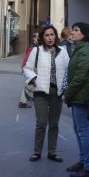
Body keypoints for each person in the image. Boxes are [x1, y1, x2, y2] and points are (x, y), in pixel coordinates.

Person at [23, 24, 69, 163]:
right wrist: (35, 79)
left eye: (52, 34)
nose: (50, 38)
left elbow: (68, 71)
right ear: (43, 37)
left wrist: (66, 90)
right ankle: (37, 152)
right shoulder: (37, 51)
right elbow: (27, 68)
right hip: (41, 91)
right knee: (41, 123)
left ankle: (52, 152)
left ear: (55, 35)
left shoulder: (63, 51)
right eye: (47, 35)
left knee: (54, 123)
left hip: (57, 92)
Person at [64, 22, 89, 177]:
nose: (72, 32)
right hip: (77, 95)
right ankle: (83, 161)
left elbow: (80, 76)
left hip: (80, 95)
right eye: (72, 29)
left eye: (76, 30)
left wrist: (68, 93)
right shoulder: (79, 48)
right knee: (79, 130)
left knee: (83, 132)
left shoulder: (85, 51)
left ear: (84, 34)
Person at [18, 32, 39, 109]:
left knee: (31, 83)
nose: (39, 39)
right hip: (28, 69)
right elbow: (26, 59)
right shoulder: (32, 47)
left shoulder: (37, 46)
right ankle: (23, 102)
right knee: (32, 82)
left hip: (32, 69)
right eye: (37, 37)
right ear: (34, 38)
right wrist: (23, 68)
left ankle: (24, 100)